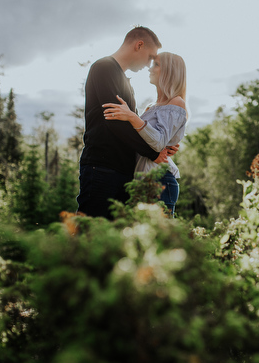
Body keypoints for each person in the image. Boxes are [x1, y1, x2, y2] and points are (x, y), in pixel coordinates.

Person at [77, 26, 169, 219]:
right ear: (139, 45)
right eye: (150, 56)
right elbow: (114, 121)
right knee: (90, 237)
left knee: (113, 242)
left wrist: (161, 143)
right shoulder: (104, 68)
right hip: (101, 167)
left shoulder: (125, 81)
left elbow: (133, 125)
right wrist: (153, 153)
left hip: (123, 171)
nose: (149, 64)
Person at [103, 52, 188, 217]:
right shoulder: (152, 106)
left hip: (160, 181)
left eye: (156, 64)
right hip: (143, 181)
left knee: (160, 238)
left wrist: (131, 116)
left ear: (169, 71)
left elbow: (158, 143)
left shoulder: (176, 102)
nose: (150, 69)